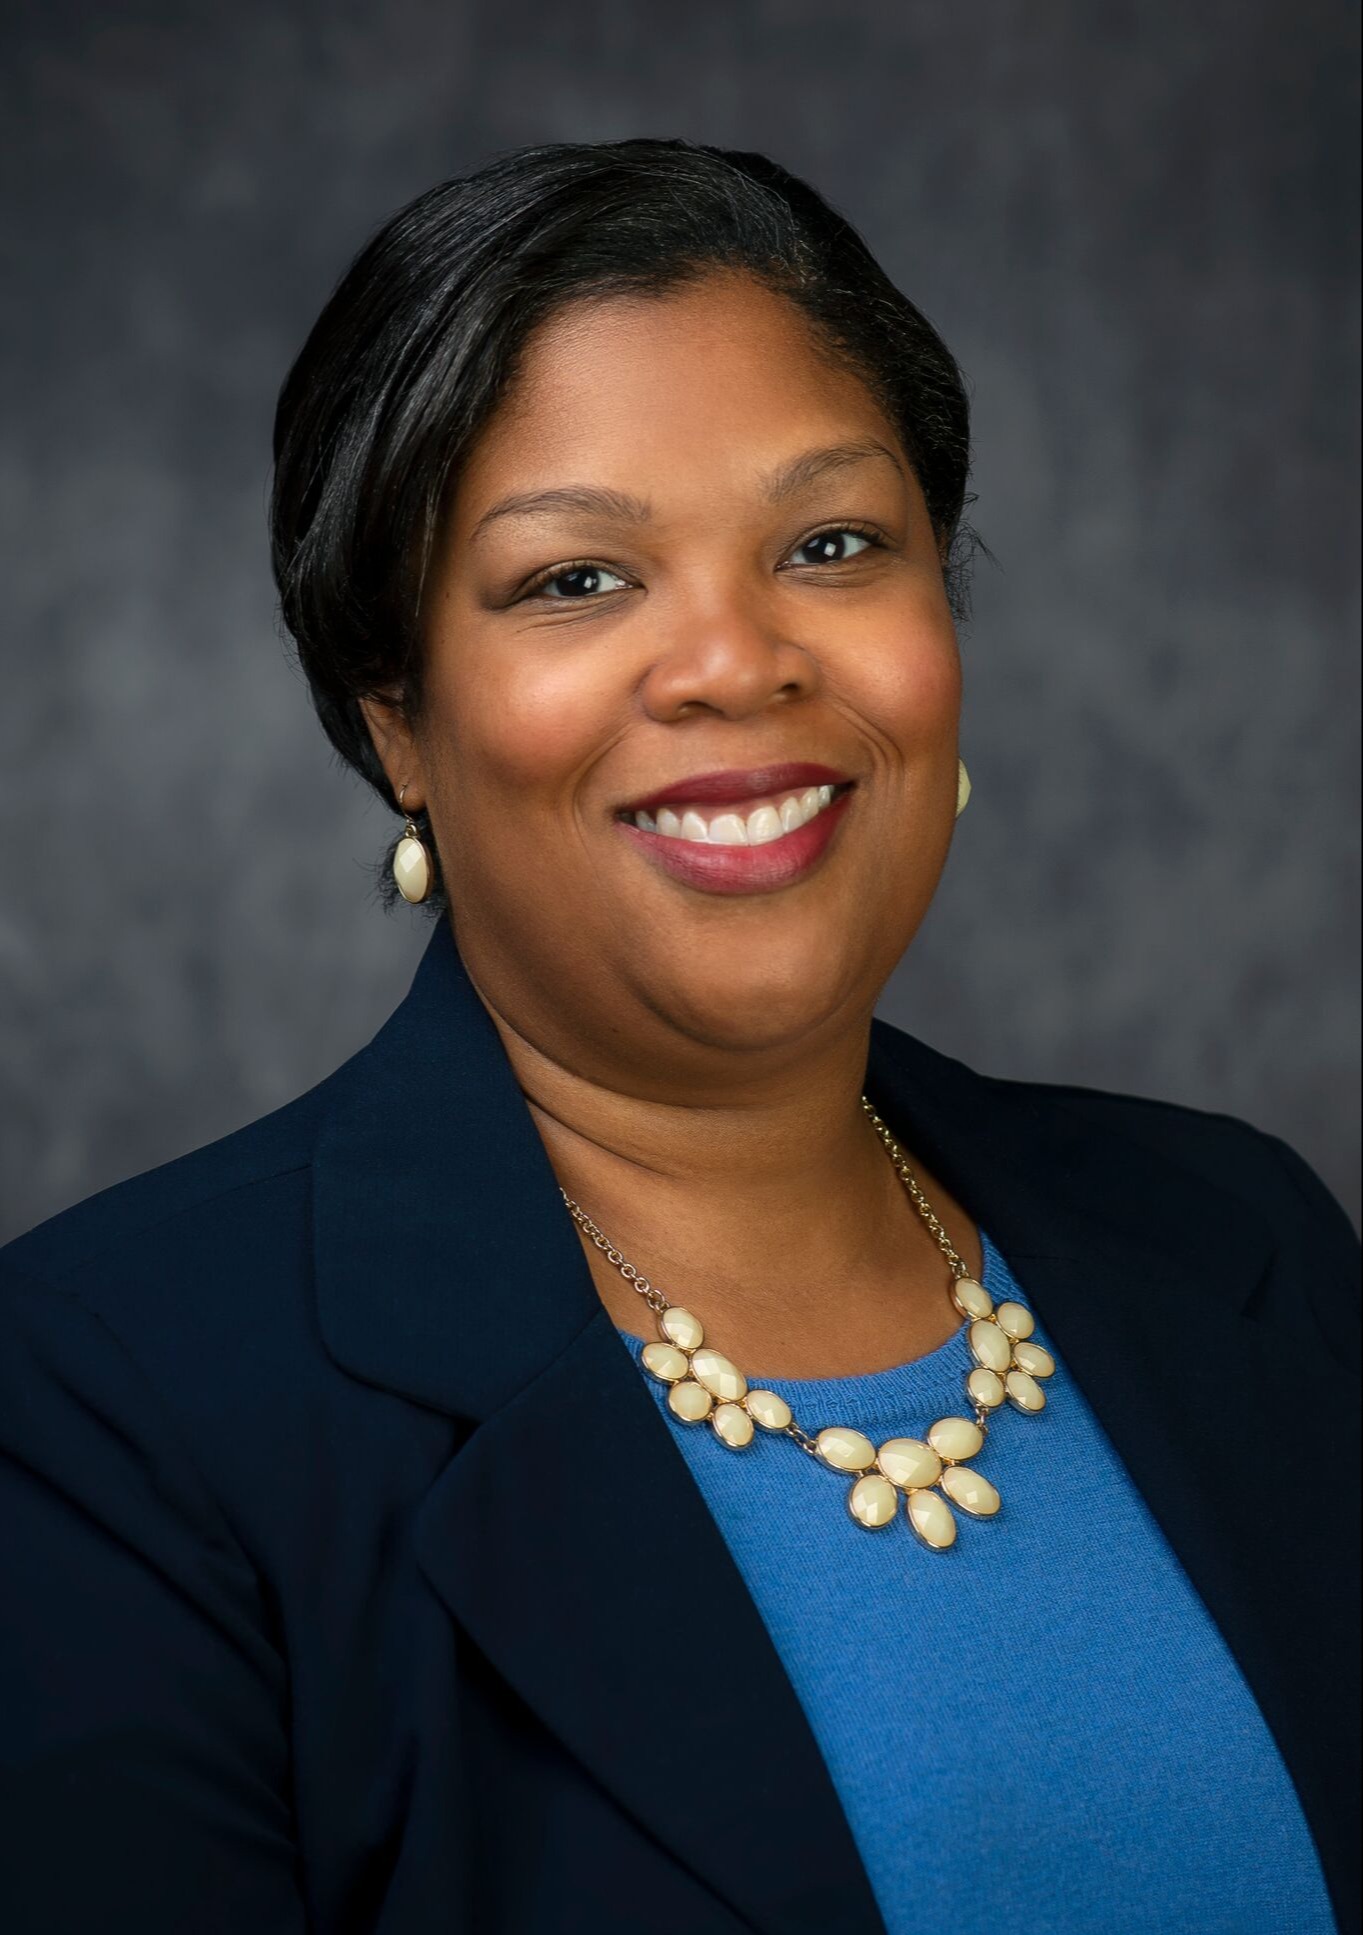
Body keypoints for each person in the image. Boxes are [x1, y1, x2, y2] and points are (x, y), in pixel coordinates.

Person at [0, 137, 1357, 1935]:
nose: (735, 661)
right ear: (396, 716)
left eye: (832, 544)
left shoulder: (1241, 1234)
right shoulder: (106, 1410)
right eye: (576, 580)